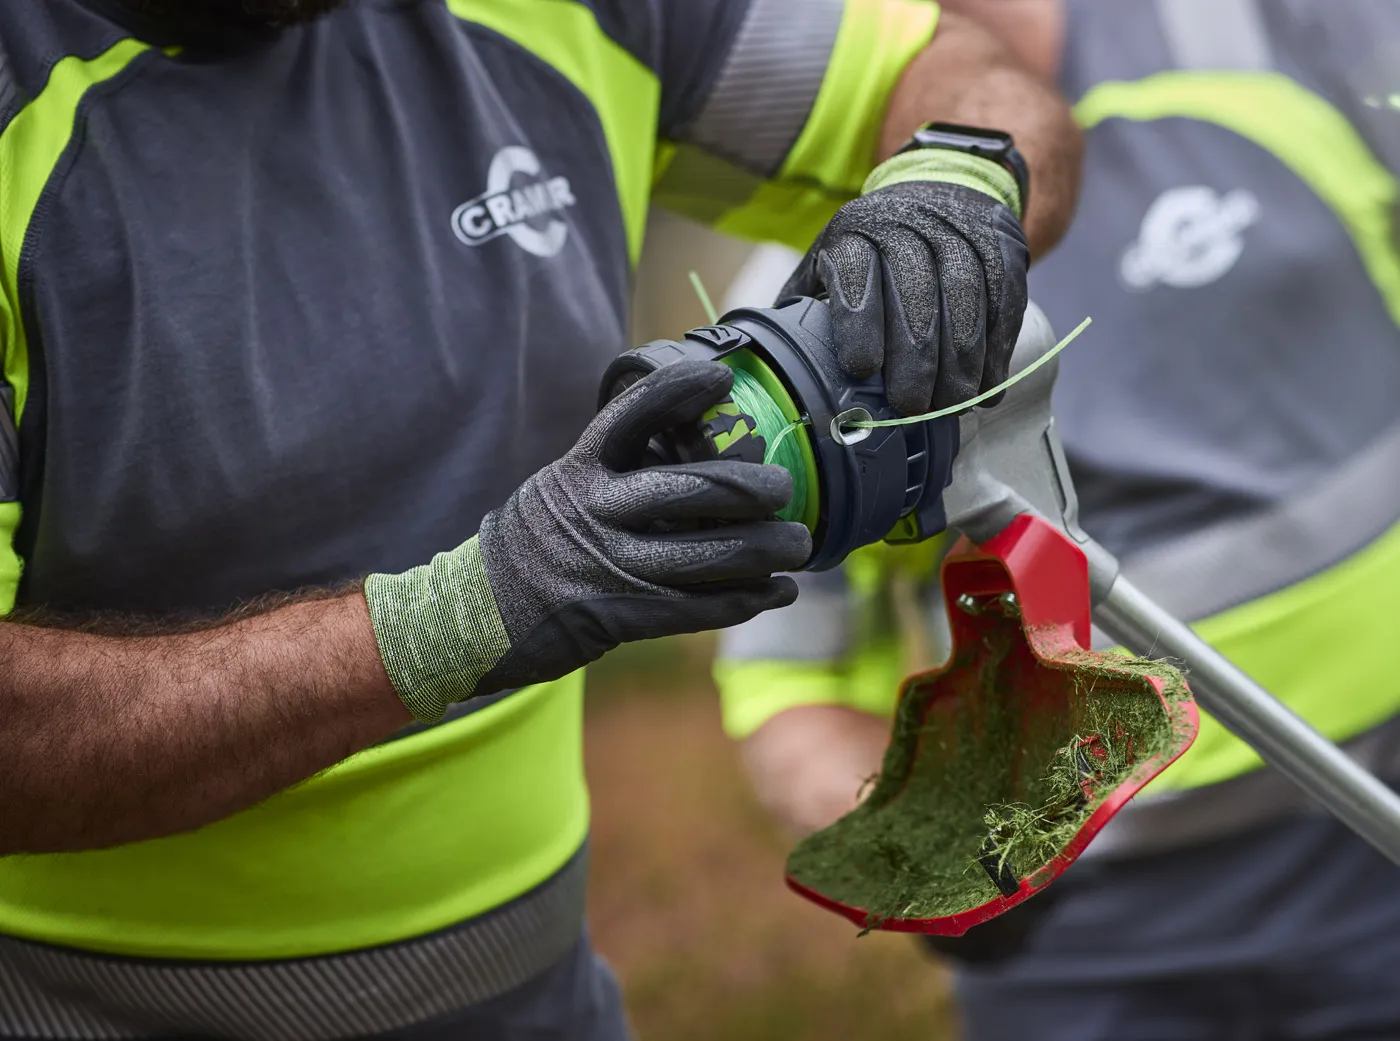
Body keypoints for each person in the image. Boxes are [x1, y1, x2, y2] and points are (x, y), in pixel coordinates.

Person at [0, 0, 1081, 1037]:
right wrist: (464, 617)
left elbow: (963, 73)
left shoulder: (572, 12)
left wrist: (952, 181)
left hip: (534, 987)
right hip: (78, 1004)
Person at [719, 1, 1400, 1038]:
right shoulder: (806, 290)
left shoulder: (1281, 31)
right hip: (1076, 949)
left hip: (1372, 840)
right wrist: (922, 853)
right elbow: (788, 683)